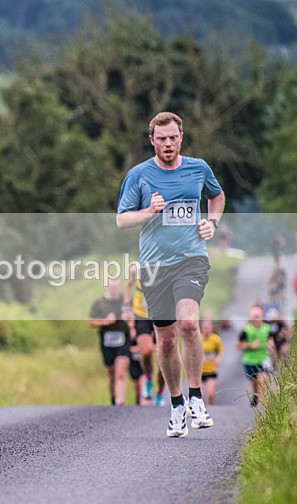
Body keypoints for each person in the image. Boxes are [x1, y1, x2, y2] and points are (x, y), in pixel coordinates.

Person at [116, 111, 225, 437]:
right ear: (152, 141)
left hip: (190, 259)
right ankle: (176, 404)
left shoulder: (198, 168)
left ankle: (195, 397)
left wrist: (212, 222)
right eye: (160, 138)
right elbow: (121, 220)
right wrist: (148, 212)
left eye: (172, 137)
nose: (167, 143)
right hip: (153, 267)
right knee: (165, 340)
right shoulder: (139, 175)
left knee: (189, 323)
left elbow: (217, 196)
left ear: (181, 137)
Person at [125, 264, 167, 406]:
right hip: (141, 315)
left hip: (161, 315)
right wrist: (126, 307)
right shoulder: (136, 268)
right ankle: (148, 380)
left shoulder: (166, 266)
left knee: (164, 362)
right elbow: (128, 285)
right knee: (147, 350)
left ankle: (160, 393)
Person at [89, 277, 131, 405]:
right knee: (111, 373)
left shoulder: (125, 302)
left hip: (123, 339)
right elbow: (91, 321)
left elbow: (133, 317)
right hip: (107, 341)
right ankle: (114, 399)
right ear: (107, 286)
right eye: (111, 286)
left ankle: (121, 401)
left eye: (116, 286)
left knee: (120, 373)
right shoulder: (99, 303)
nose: (114, 288)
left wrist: (128, 318)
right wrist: (104, 321)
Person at [238, 305, 272, 407]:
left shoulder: (267, 328)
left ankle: (264, 404)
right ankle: (255, 395)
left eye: (258, 316)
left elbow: (270, 339)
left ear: (262, 316)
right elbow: (238, 344)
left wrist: (271, 344)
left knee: (263, 380)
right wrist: (250, 345)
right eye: (254, 316)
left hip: (263, 359)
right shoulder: (246, 330)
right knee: (254, 384)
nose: (256, 318)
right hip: (249, 360)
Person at [200, 319, 223, 406]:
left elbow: (221, 352)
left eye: (209, 327)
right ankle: (201, 410)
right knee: (200, 395)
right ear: (202, 328)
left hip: (211, 370)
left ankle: (210, 409)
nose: (207, 329)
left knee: (211, 394)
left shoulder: (216, 339)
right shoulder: (198, 338)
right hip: (199, 371)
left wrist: (218, 359)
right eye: (205, 327)